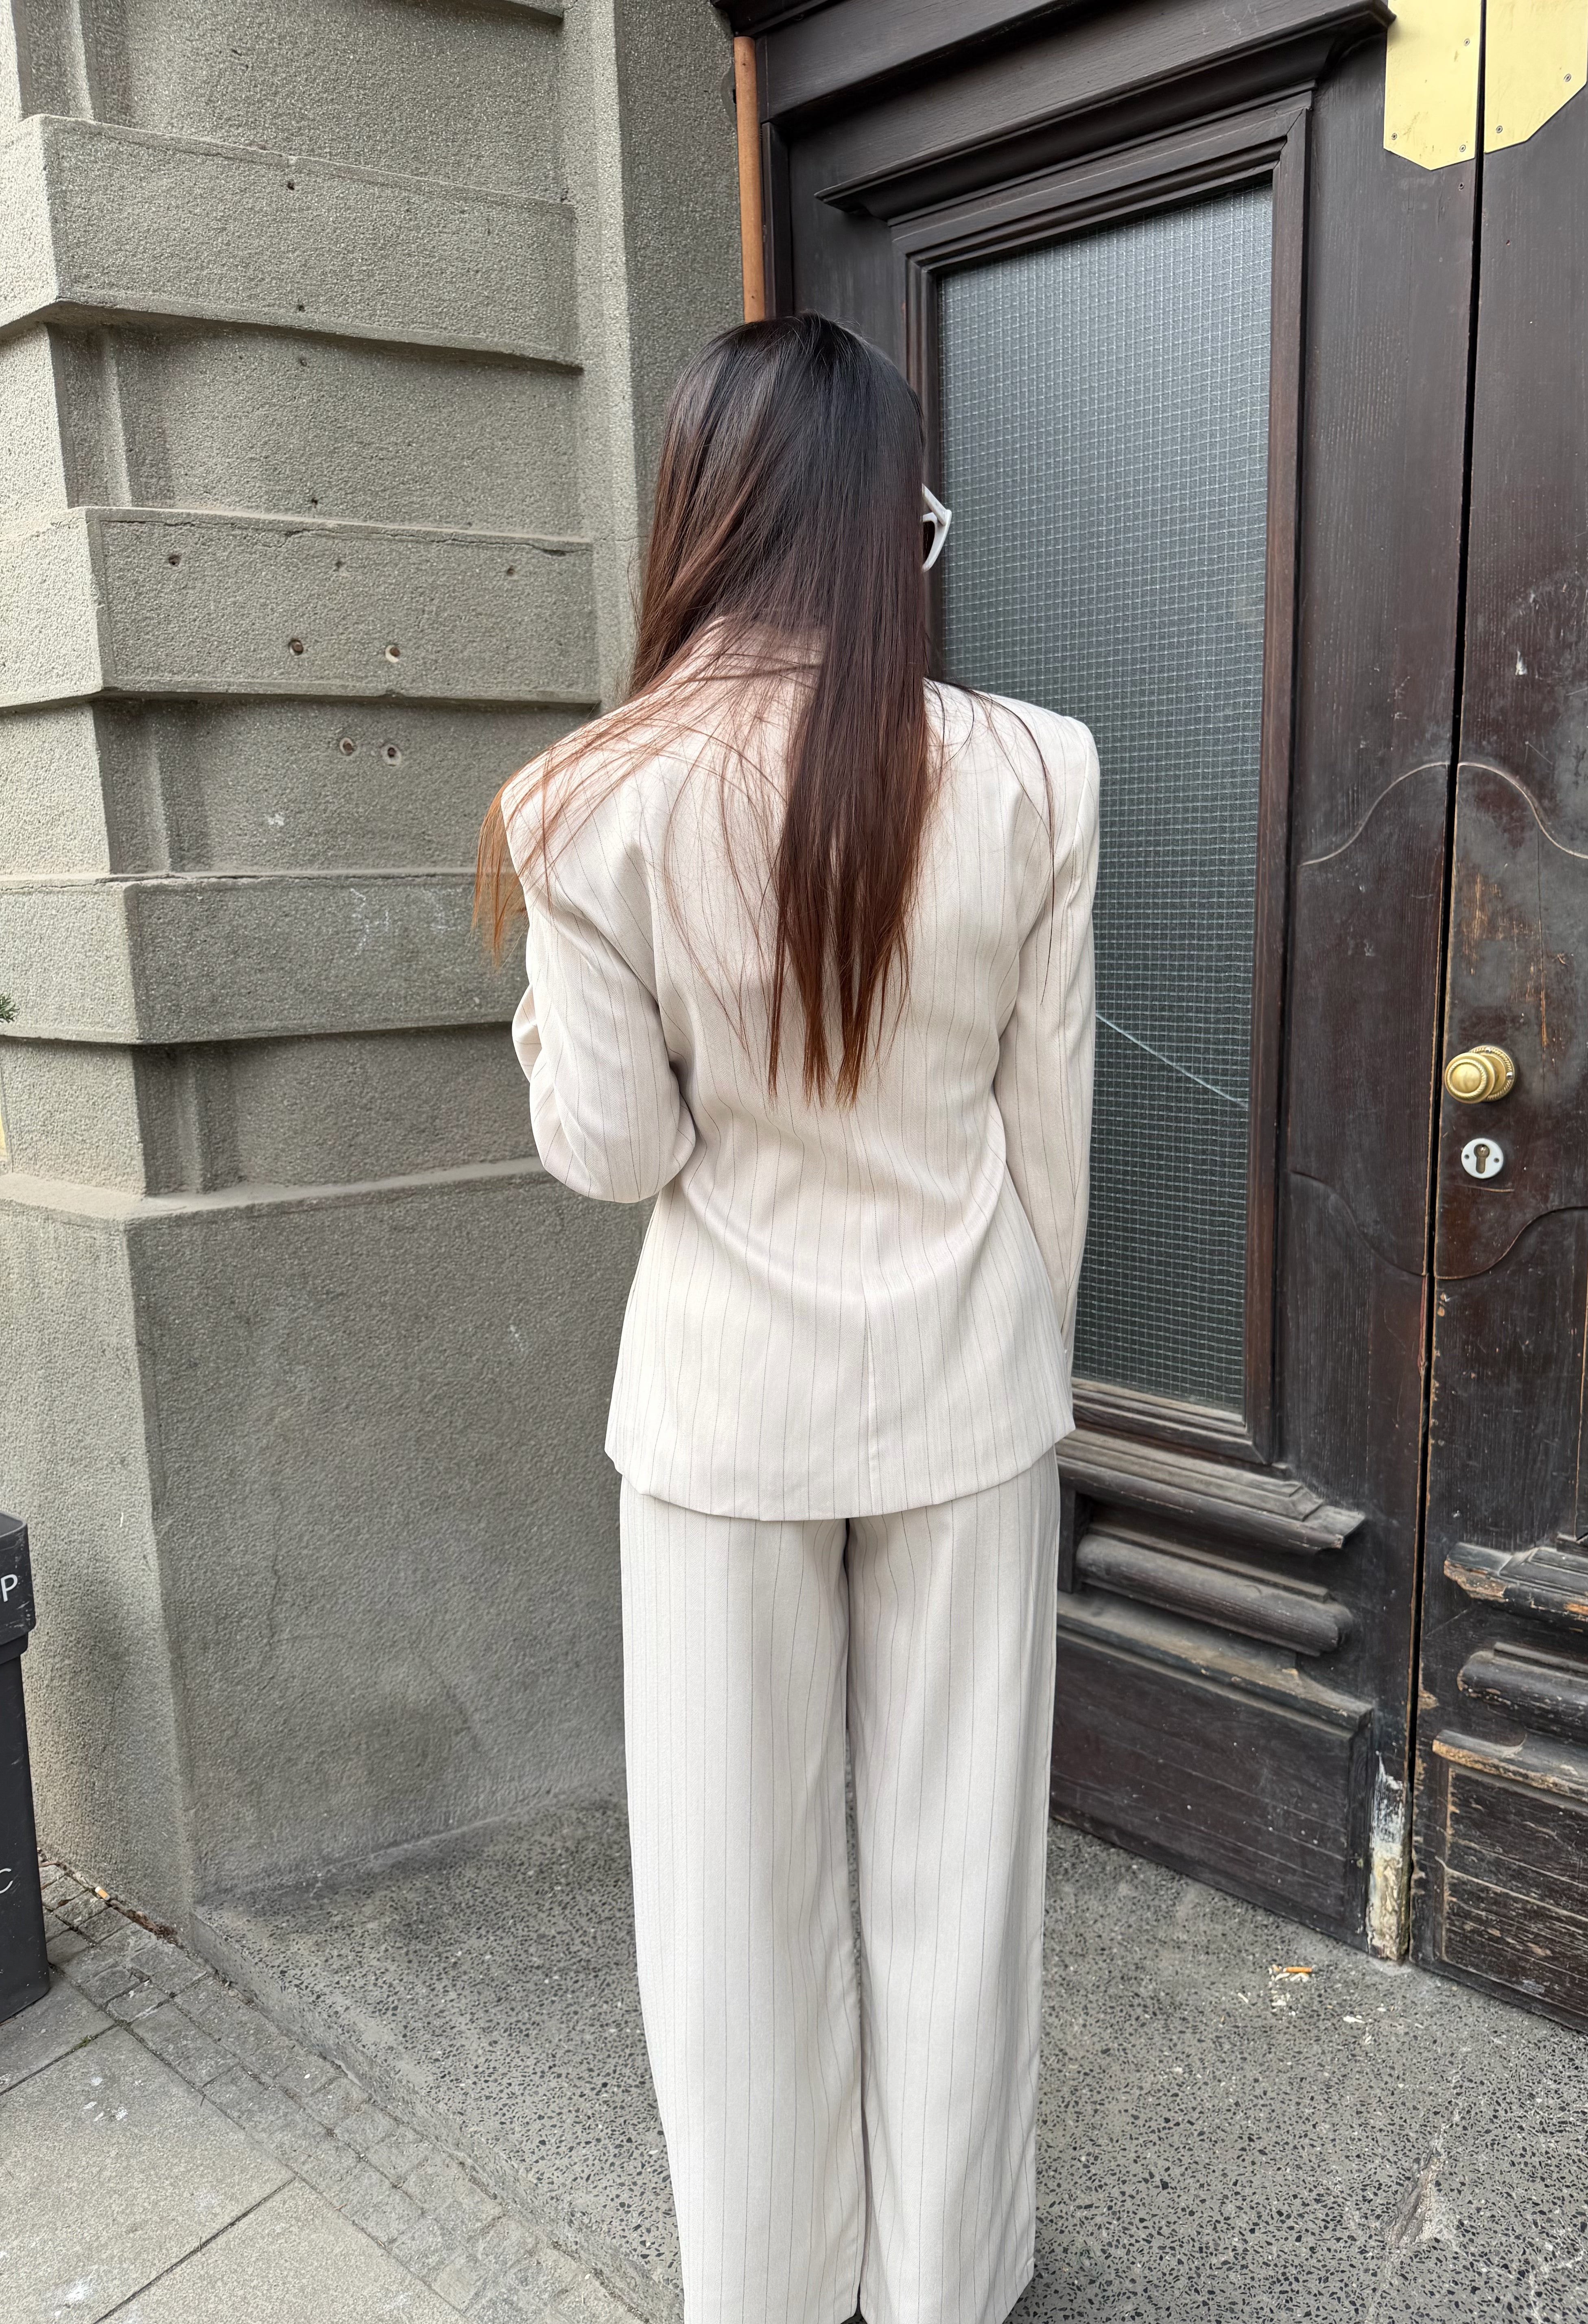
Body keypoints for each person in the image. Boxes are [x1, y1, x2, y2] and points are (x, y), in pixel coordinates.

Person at [475, 312, 1099, 2324]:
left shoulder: (584, 802)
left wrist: (548, 1034)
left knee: (732, 1891)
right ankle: (947, 2283)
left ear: (705, 513)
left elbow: (618, 1156)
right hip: (967, 1384)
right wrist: (1022, 1355)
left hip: (722, 1405)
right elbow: (1050, 1132)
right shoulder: (1040, 773)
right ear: (883, 521)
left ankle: (767, 2286)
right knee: (959, 1869)